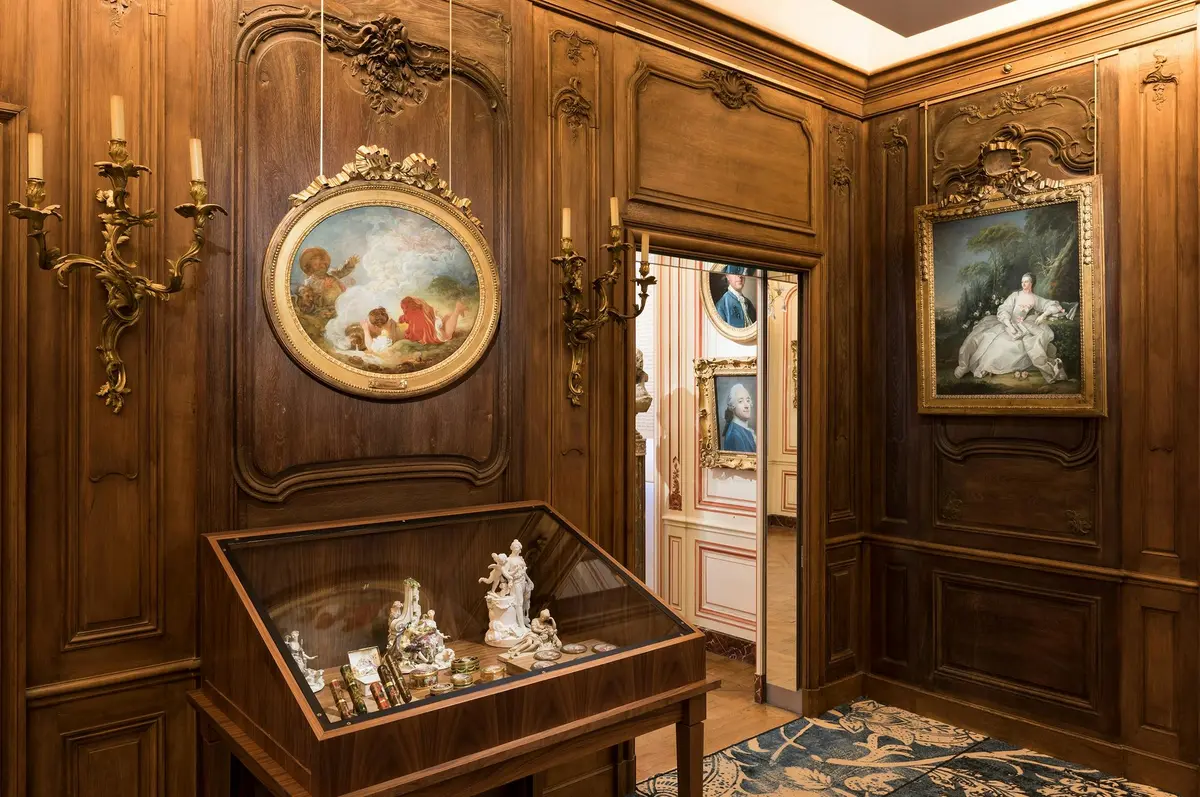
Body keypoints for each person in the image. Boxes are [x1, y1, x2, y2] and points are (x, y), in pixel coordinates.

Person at [954, 272, 1069, 384]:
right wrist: (1009, 324)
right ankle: (977, 366)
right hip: (1007, 323)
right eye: (1022, 282)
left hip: (1022, 325)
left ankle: (992, 367)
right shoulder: (1015, 295)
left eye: (1026, 282)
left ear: (1032, 283)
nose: (1023, 284)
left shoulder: (1035, 298)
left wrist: (1044, 315)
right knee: (989, 341)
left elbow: (1052, 305)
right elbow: (1004, 309)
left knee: (1016, 346)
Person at [296, 247, 358, 316]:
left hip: (342, 302)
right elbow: (313, 290)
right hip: (327, 307)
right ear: (310, 268)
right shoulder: (310, 281)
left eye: (321, 263)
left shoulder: (331, 274)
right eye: (316, 265)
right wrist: (323, 286)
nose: (320, 266)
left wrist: (350, 264)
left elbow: (342, 272)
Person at [395, 296, 468, 345]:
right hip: (434, 325)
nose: (404, 310)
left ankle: (457, 311)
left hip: (433, 334)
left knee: (447, 335)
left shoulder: (411, 315)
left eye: (404, 308)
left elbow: (403, 320)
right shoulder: (422, 310)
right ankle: (457, 310)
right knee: (444, 323)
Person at [721, 383, 757, 453]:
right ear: (733, 406)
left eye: (748, 400)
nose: (746, 405)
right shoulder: (735, 436)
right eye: (740, 401)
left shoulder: (744, 430)